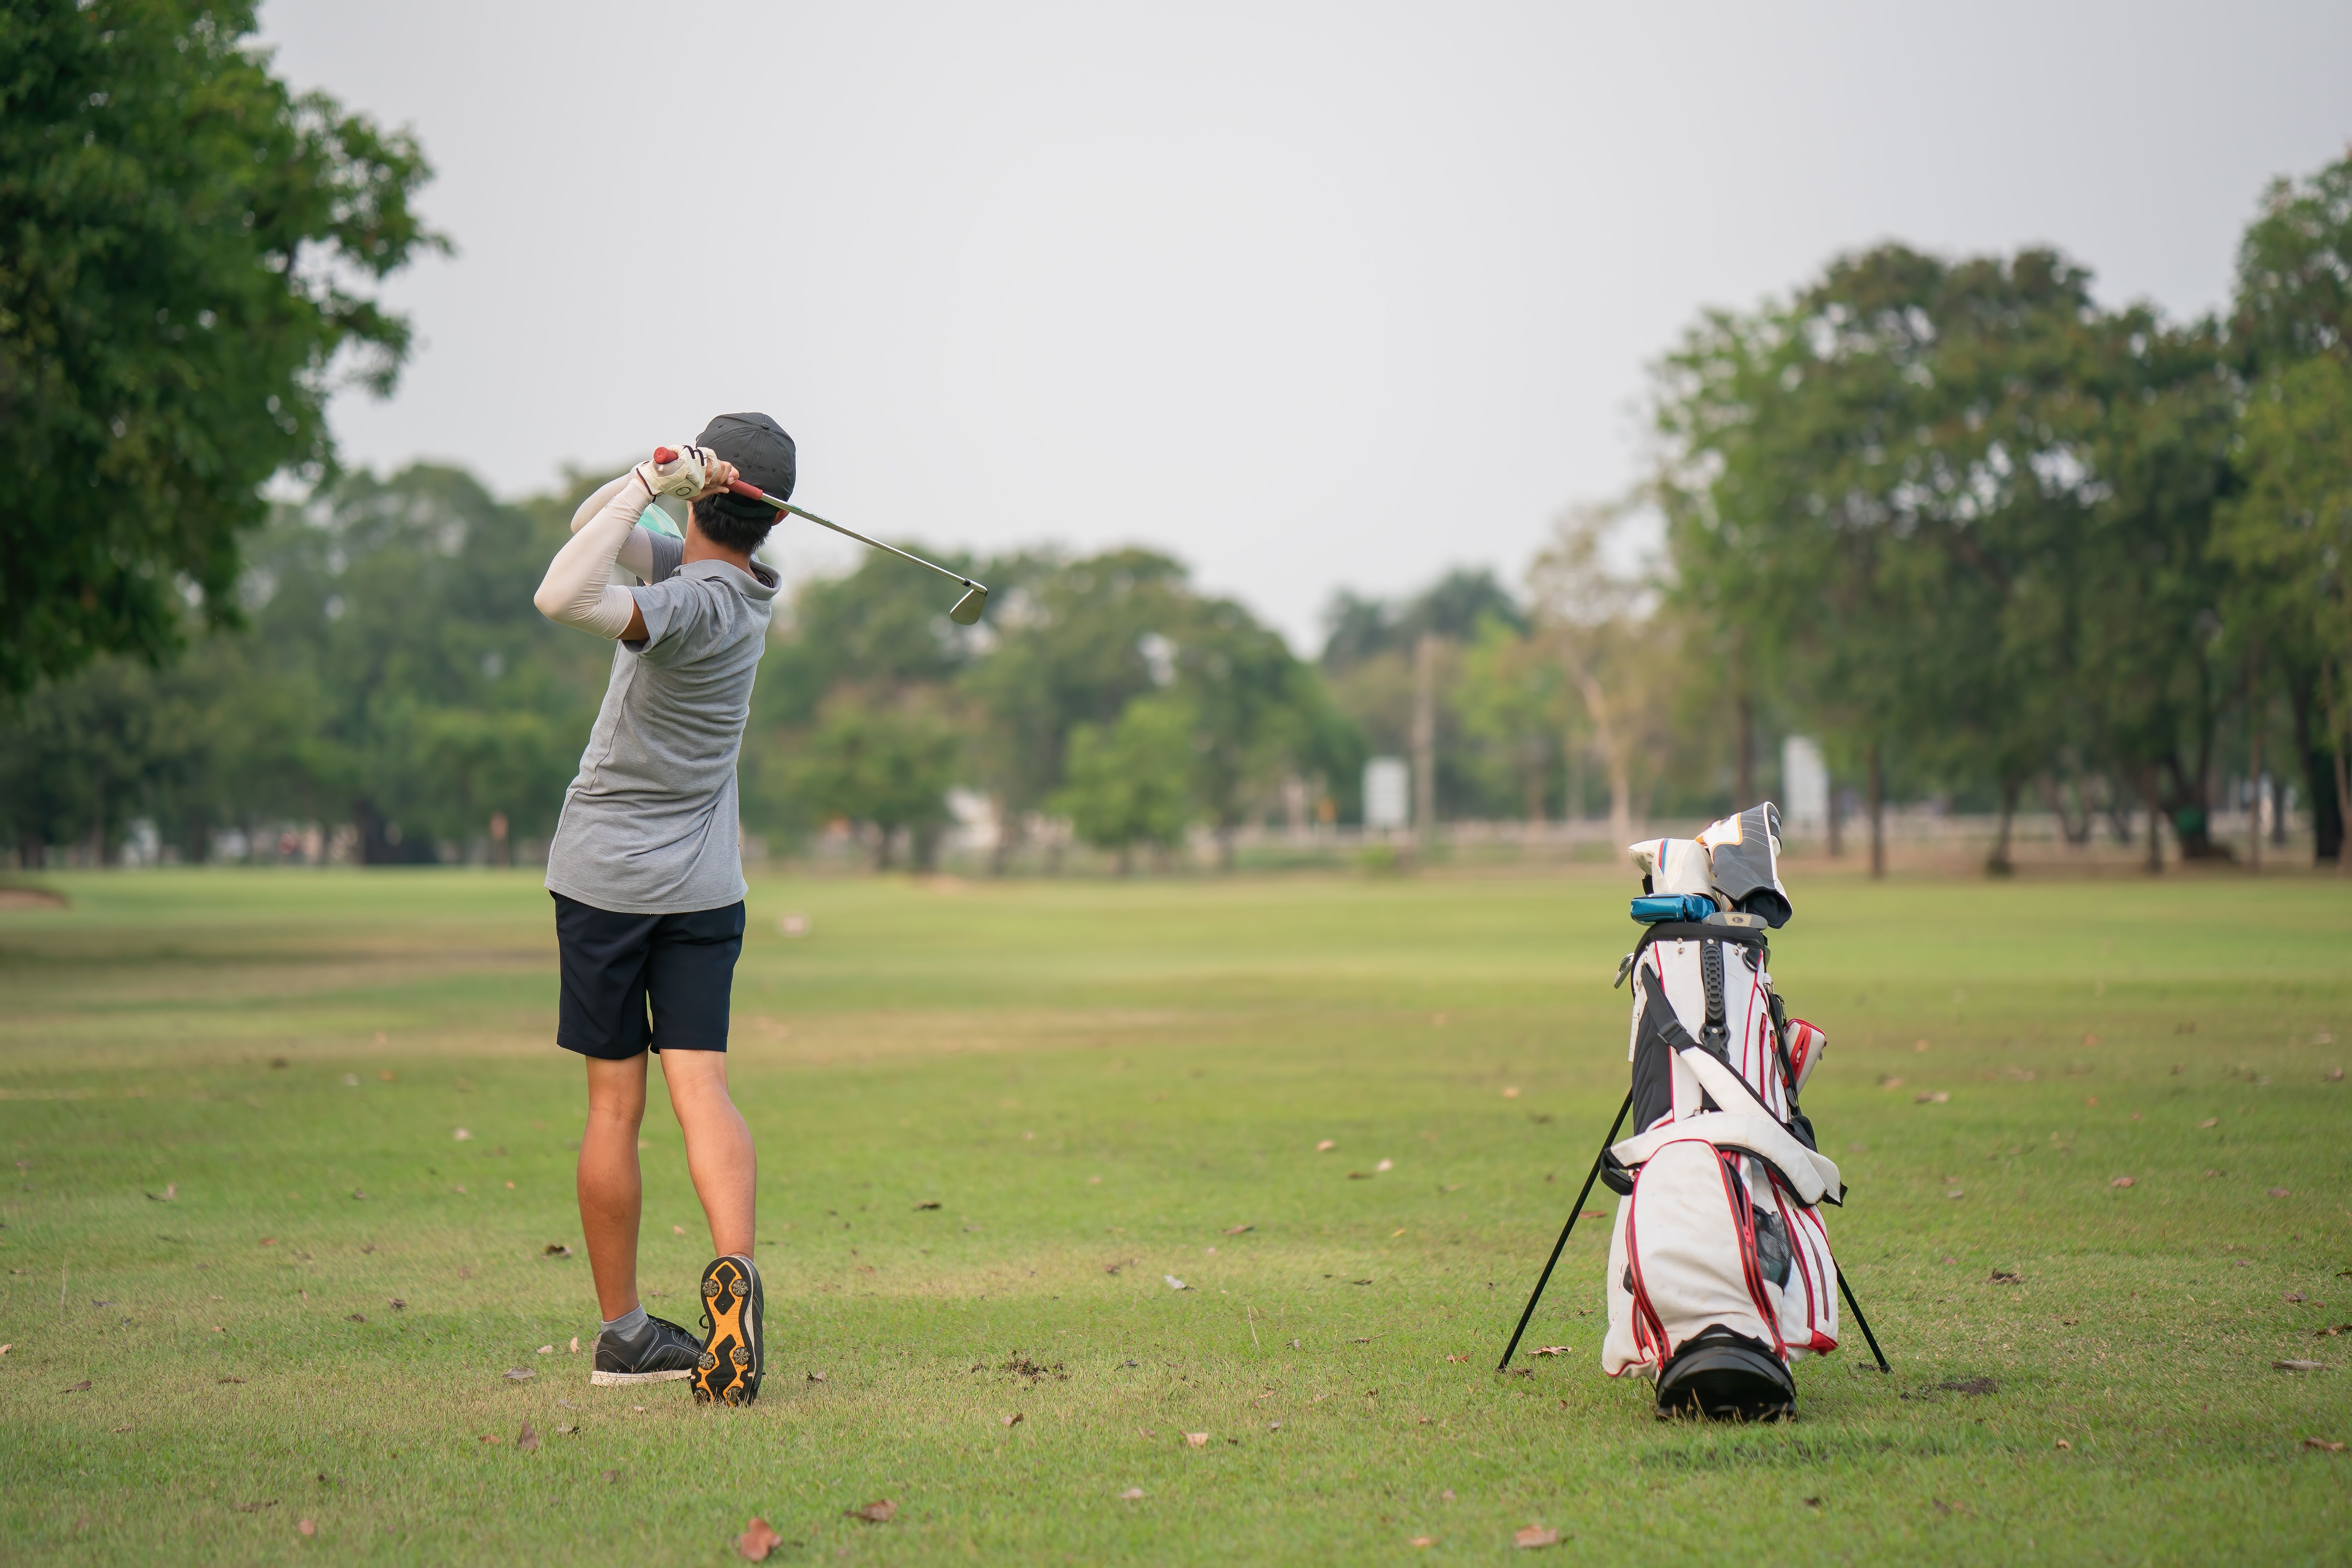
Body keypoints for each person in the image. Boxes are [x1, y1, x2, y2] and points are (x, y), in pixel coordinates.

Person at [530, 413, 797, 1406]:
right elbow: (585, 524)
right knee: (704, 1090)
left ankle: (624, 1333)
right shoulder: (753, 588)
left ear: (708, 492)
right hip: (702, 889)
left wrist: (654, 477)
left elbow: (562, 588)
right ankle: (735, 1276)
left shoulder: (689, 603)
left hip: (605, 880)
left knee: (615, 1104)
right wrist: (650, 486)